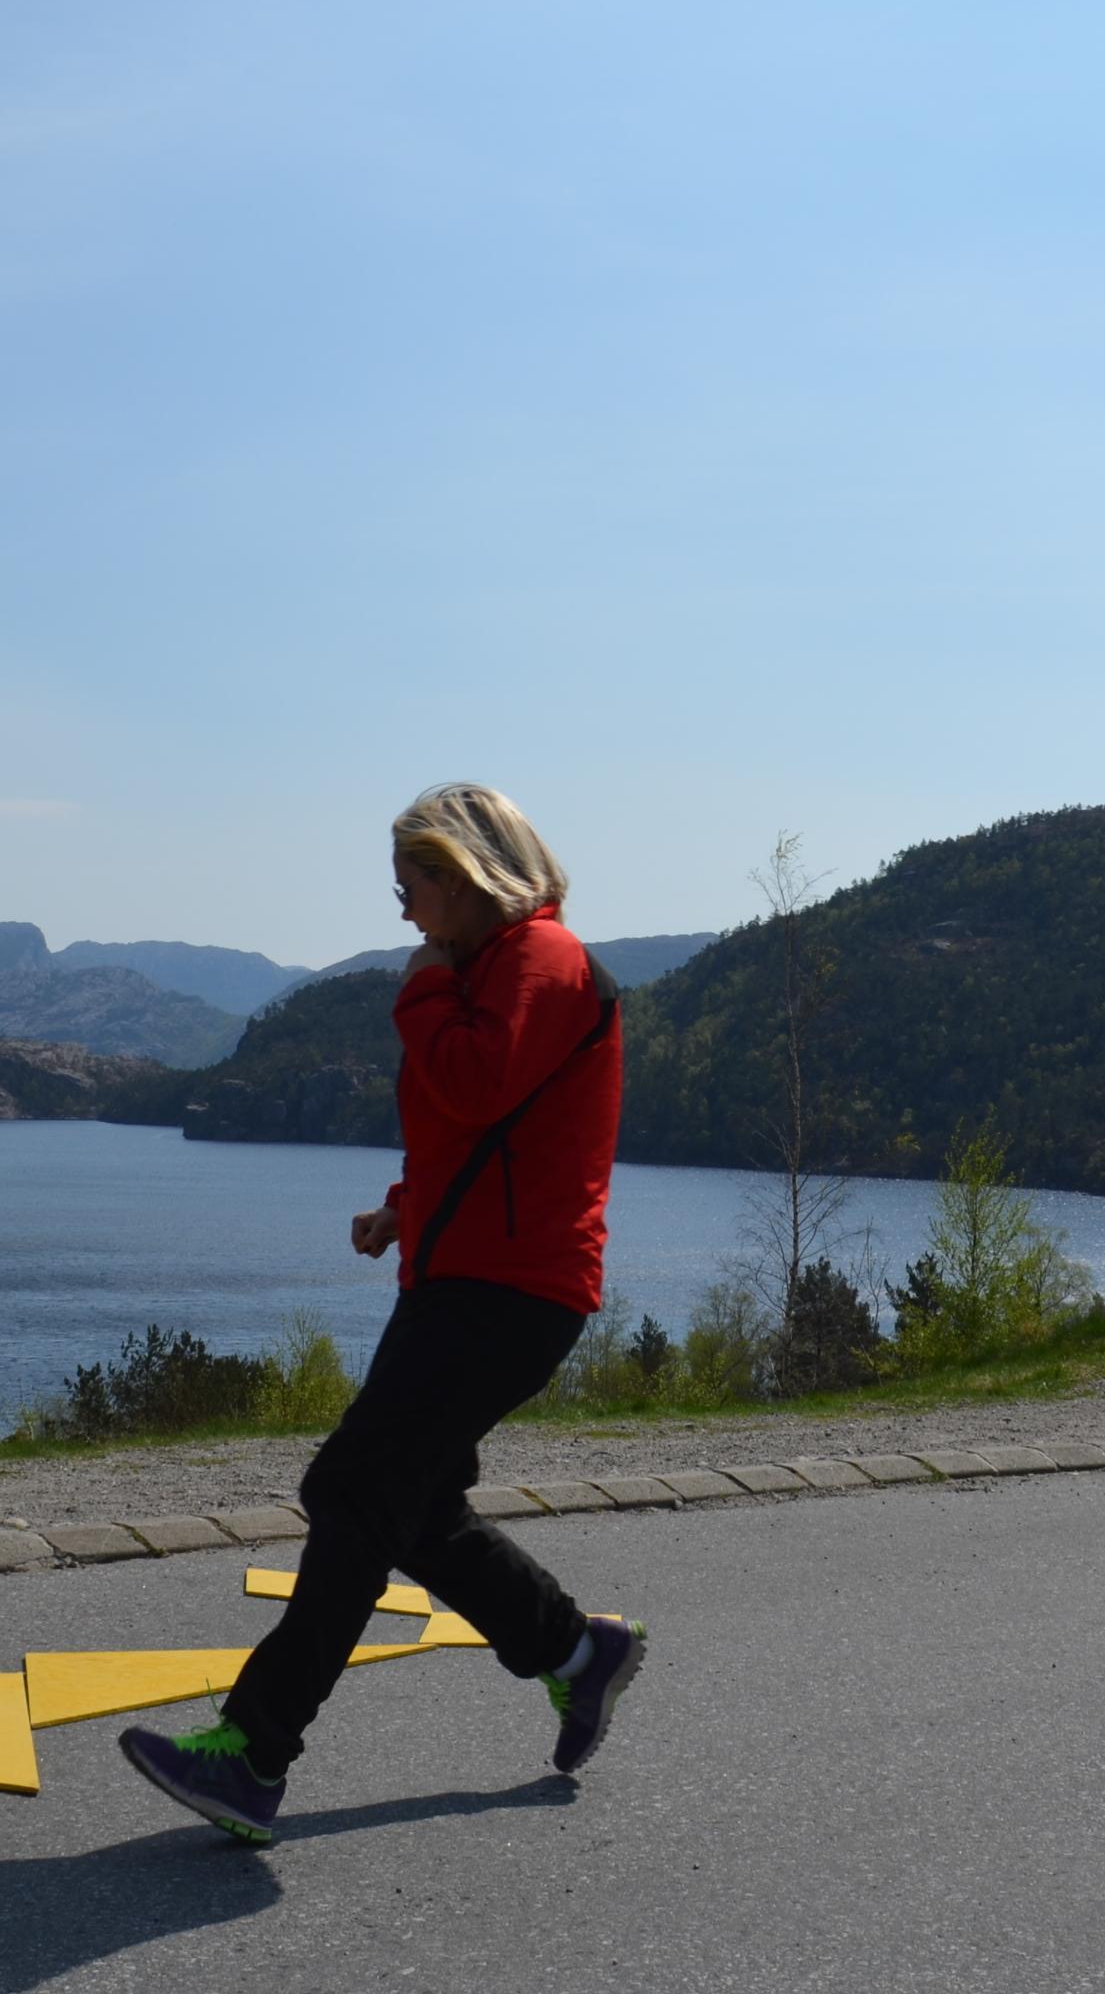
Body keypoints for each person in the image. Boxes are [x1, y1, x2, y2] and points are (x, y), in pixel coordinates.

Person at [122, 783, 645, 1846]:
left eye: (410, 889)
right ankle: (574, 1651)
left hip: (512, 1291)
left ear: (462, 877)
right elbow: (488, 1131)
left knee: (356, 1491)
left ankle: (253, 1754)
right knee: (405, 1502)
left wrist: (418, 994)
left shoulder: (539, 961)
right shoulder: (494, 968)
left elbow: (479, 1081)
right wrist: (408, 1210)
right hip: (473, 1281)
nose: (404, 913)